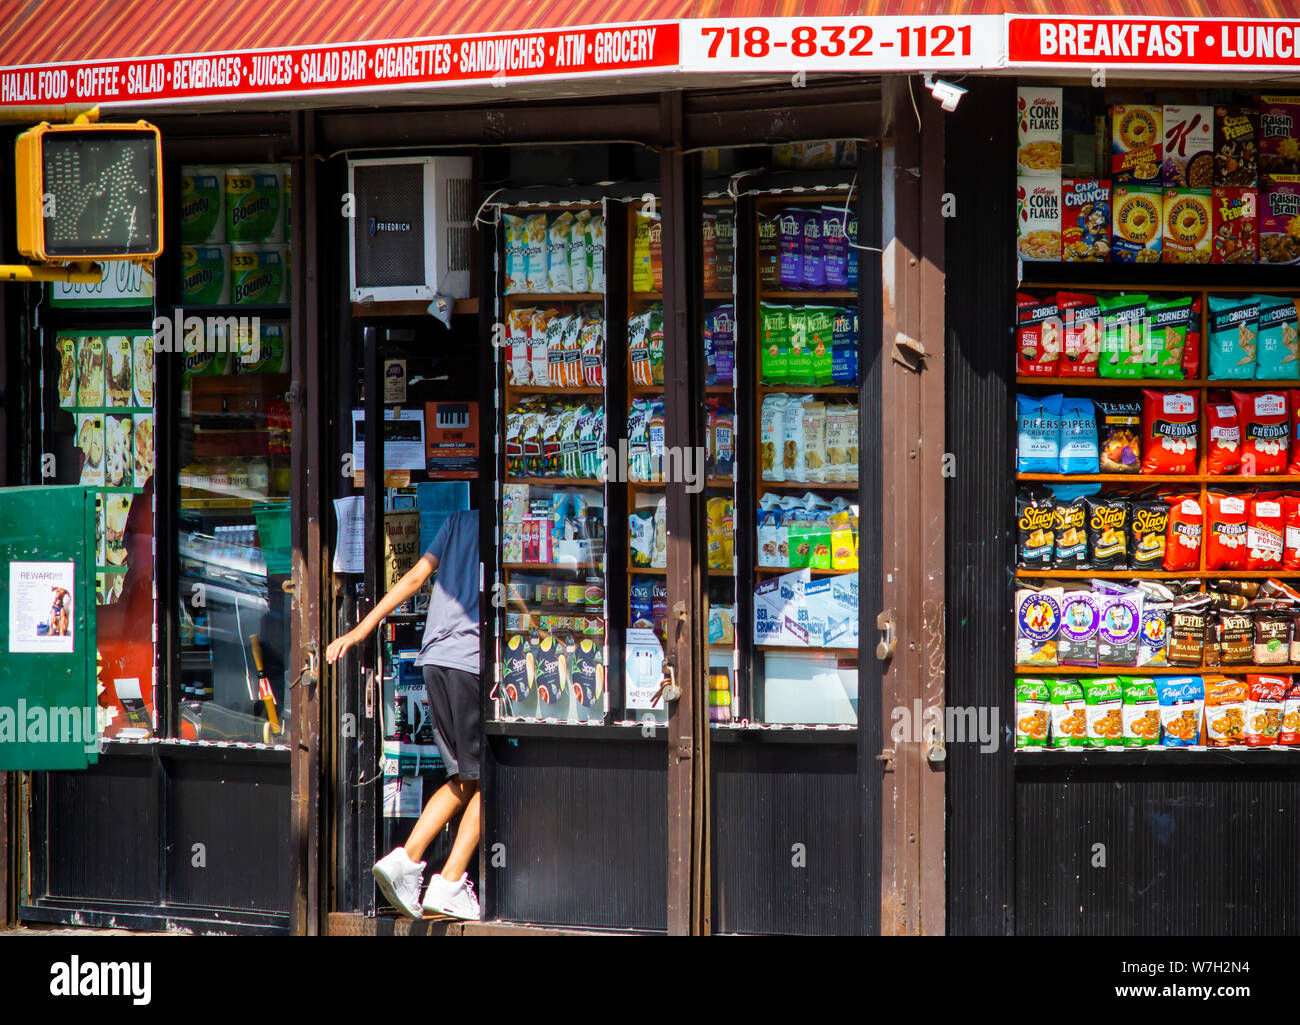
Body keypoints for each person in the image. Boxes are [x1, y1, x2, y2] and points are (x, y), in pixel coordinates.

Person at [325, 508, 482, 920]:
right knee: (490, 781)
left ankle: (404, 861)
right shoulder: (501, 520)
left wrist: (361, 629)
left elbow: (414, 578)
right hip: (472, 661)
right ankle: (448, 881)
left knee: (463, 779)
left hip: (436, 661)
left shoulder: (457, 521)